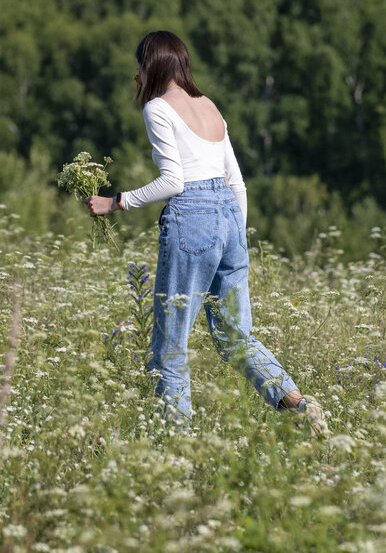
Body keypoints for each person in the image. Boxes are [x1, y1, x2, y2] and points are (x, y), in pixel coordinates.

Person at [87, 30, 324, 432]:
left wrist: (117, 202)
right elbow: (237, 182)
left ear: (154, 65)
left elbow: (173, 182)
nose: (137, 76)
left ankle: (176, 450)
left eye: (140, 65)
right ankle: (298, 406)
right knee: (236, 336)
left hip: (192, 218)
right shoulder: (209, 106)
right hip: (230, 217)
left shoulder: (158, 109)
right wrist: (237, 239)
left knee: (170, 347)